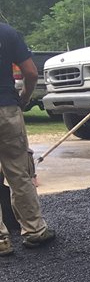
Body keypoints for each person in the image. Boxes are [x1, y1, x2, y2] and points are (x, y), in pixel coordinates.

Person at [0, 22, 55, 256]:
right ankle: (34, 230)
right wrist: (24, 98)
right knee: (19, 172)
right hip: (7, 110)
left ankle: (2, 241)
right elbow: (31, 72)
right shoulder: (8, 33)